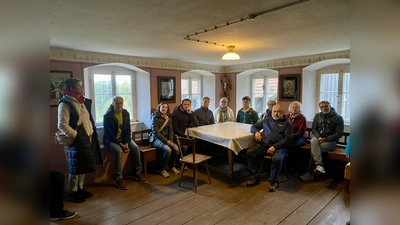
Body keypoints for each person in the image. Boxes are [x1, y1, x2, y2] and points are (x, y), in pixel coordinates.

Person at [58, 78, 103, 203]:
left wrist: (90, 133)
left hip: (87, 137)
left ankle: (80, 188)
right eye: (79, 85)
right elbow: (62, 124)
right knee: (74, 167)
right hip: (76, 139)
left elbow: (87, 120)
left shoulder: (81, 101)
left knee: (82, 165)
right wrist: (75, 135)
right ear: (72, 88)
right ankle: (73, 192)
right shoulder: (65, 103)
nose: (82, 87)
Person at [103, 96, 148, 190]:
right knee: (118, 151)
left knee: (135, 148)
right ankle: (119, 178)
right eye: (117, 103)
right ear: (113, 103)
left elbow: (128, 130)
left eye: (121, 103)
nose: (119, 105)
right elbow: (109, 133)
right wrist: (121, 144)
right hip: (111, 140)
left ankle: (138, 172)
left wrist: (127, 143)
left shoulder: (126, 113)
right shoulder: (108, 116)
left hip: (124, 139)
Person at [245, 104, 293, 192]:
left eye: (278, 112)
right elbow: (253, 126)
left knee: (277, 159)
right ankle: (255, 177)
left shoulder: (287, 124)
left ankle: (272, 181)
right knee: (250, 152)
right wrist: (256, 132)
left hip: (280, 147)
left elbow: (288, 139)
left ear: (282, 113)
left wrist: (275, 147)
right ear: (271, 112)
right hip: (265, 145)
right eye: (274, 111)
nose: (276, 113)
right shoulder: (266, 120)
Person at [300, 101, 344, 181]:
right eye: (322, 107)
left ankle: (310, 173)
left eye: (326, 106)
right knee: (313, 141)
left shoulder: (338, 118)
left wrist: (325, 139)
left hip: (331, 142)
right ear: (320, 108)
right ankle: (319, 166)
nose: (324, 108)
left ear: (330, 106)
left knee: (315, 149)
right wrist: (319, 137)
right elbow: (314, 129)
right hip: (318, 139)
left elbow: (339, 133)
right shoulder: (318, 116)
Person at [150, 102, 180, 178]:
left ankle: (172, 166)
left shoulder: (168, 117)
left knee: (176, 149)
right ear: (159, 108)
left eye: (166, 107)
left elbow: (171, 130)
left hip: (167, 139)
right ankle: (163, 169)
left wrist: (170, 140)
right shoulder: (155, 117)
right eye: (162, 107)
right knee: (167, 150)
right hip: (156, 139)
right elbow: (155, 132)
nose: (164, 109)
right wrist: (166, 141)